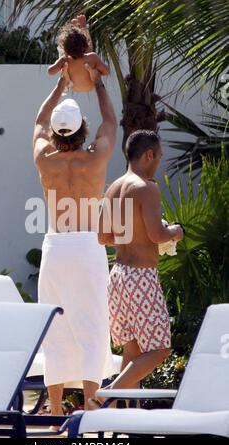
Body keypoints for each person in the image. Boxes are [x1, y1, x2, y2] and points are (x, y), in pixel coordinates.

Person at [33, 54, 118, 422]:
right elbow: (112, 122)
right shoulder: (95, 158)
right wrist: (96, 81)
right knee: (92, 324)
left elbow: (38, 122)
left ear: (55, 132)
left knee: (55, 326)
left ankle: (54, 414)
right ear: (83, 129)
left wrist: (60, 85)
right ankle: (90, 414)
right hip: (86, 247)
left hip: (55, 247)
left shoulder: (45, 159)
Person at [92, 130, 184, 406]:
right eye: (158, 156)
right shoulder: (146, 187)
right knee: (159, 350)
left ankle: (130, 420)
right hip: (140, 278)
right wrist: (175, 231)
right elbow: (157, 235)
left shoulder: (113, 188)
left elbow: (102, 236)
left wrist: (132, 237)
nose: (158, 162)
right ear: (149, 155)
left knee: (133, 353)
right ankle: (107, 395)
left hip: (118, 276)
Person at [48, 19, 109, 92]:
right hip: (90, 85)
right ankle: (83, 28)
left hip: (74, 87)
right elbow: (106, 72)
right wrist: (95, 70)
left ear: (65, 49)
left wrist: (59, 62)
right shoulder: (92, 57)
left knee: (65, 66)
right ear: (85, 44)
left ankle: (66, 76)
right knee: (89, 55)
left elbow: (50, 71)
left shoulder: (65, 59)